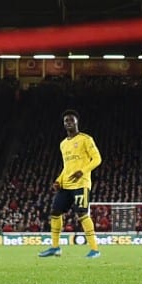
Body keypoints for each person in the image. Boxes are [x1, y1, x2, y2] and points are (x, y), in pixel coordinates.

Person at [38, 110, 101, 259]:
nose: (68, 123)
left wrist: (82, 171)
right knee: (55, 213)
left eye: (71, 120)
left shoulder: (86, 139)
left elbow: (97, 159)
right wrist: (58, 180)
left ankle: (94, 249)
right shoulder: (63, 144)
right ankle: (55, 248)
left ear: (77, 122)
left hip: (81, 184)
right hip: (66, 185)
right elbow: (67, 167)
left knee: (82, 213)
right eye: (66, 121)